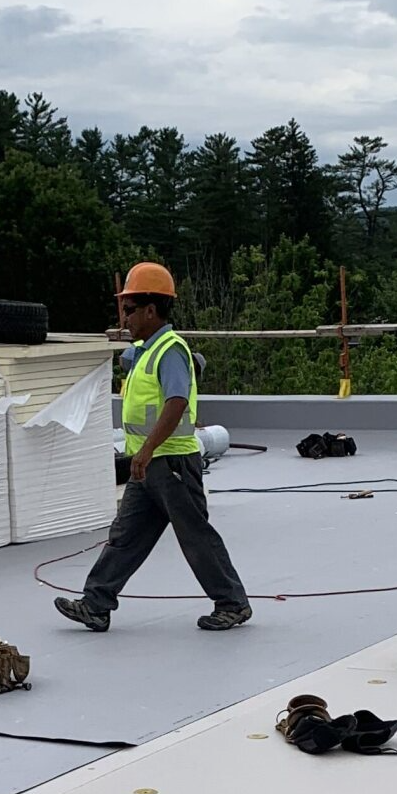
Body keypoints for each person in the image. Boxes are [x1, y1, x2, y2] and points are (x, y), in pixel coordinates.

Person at [55, 262, 253, 633]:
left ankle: (232, 603)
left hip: (171, 461)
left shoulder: (170, 350)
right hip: (149, 464)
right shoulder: (148, 349)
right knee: (125, 536)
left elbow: (176, 401)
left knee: (195, 535)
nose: (124, 317)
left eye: (129, 310)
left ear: (151, 309)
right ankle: (96, 604)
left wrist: (145, 451)